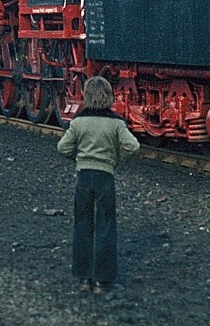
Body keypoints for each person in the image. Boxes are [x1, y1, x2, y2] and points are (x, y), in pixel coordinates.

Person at [56, 76, 141, 294]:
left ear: (86, 96)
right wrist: (116, 162)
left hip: (84, 176)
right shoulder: (116, 123)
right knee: (106, 226)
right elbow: (133, 146)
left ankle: (84, 278)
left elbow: (62, 148)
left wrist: (79, 159)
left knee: (82, 225)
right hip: (105, 177)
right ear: (109, 96)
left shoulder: (78, 121)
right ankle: (103, 280)